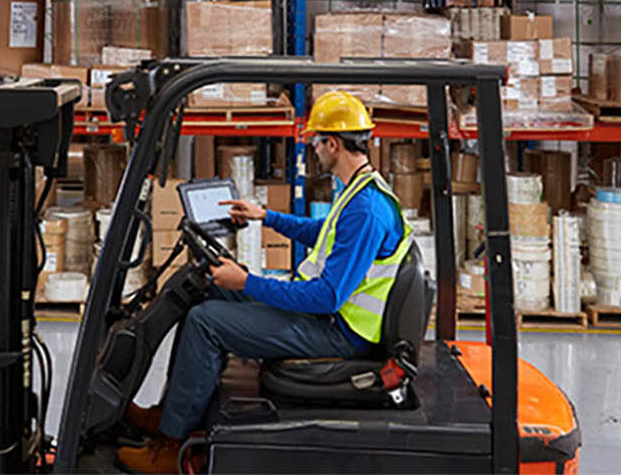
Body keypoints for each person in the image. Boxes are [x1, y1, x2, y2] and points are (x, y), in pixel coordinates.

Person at [115, 91, 413, 474]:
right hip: (330, 320)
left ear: (333, 144)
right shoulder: (360, 189)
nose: (314, 150)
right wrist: (266, 216)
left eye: (315, 142)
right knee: (209, 288)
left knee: (206, 322)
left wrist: (248, 282)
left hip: (339, 334)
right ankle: (171, 413)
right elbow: (325, 232)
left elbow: (326, 296)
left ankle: (172, 448)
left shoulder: (367, 209)